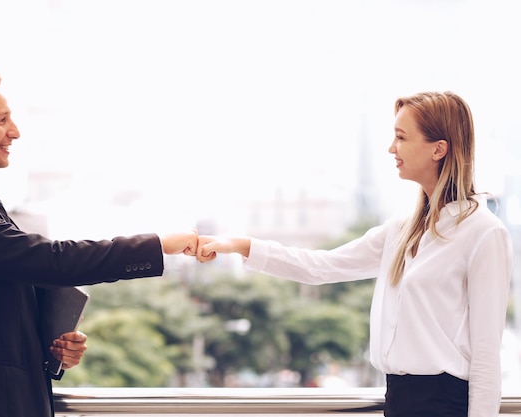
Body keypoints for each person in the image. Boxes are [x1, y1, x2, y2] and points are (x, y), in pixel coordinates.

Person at [197, 91, 512, 417]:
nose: (392, 148)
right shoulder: (400, 230)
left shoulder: (484, 232)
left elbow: (487, 355)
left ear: (439, 148)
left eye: (401, 138)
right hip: (399, 400)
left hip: (445, 404)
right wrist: (241, 245)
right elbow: (321, 267)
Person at [0, 66, 198, 417]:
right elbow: (50, 260)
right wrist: (158, 246)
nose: (14, 132)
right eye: (1, 120)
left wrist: (52, 345)